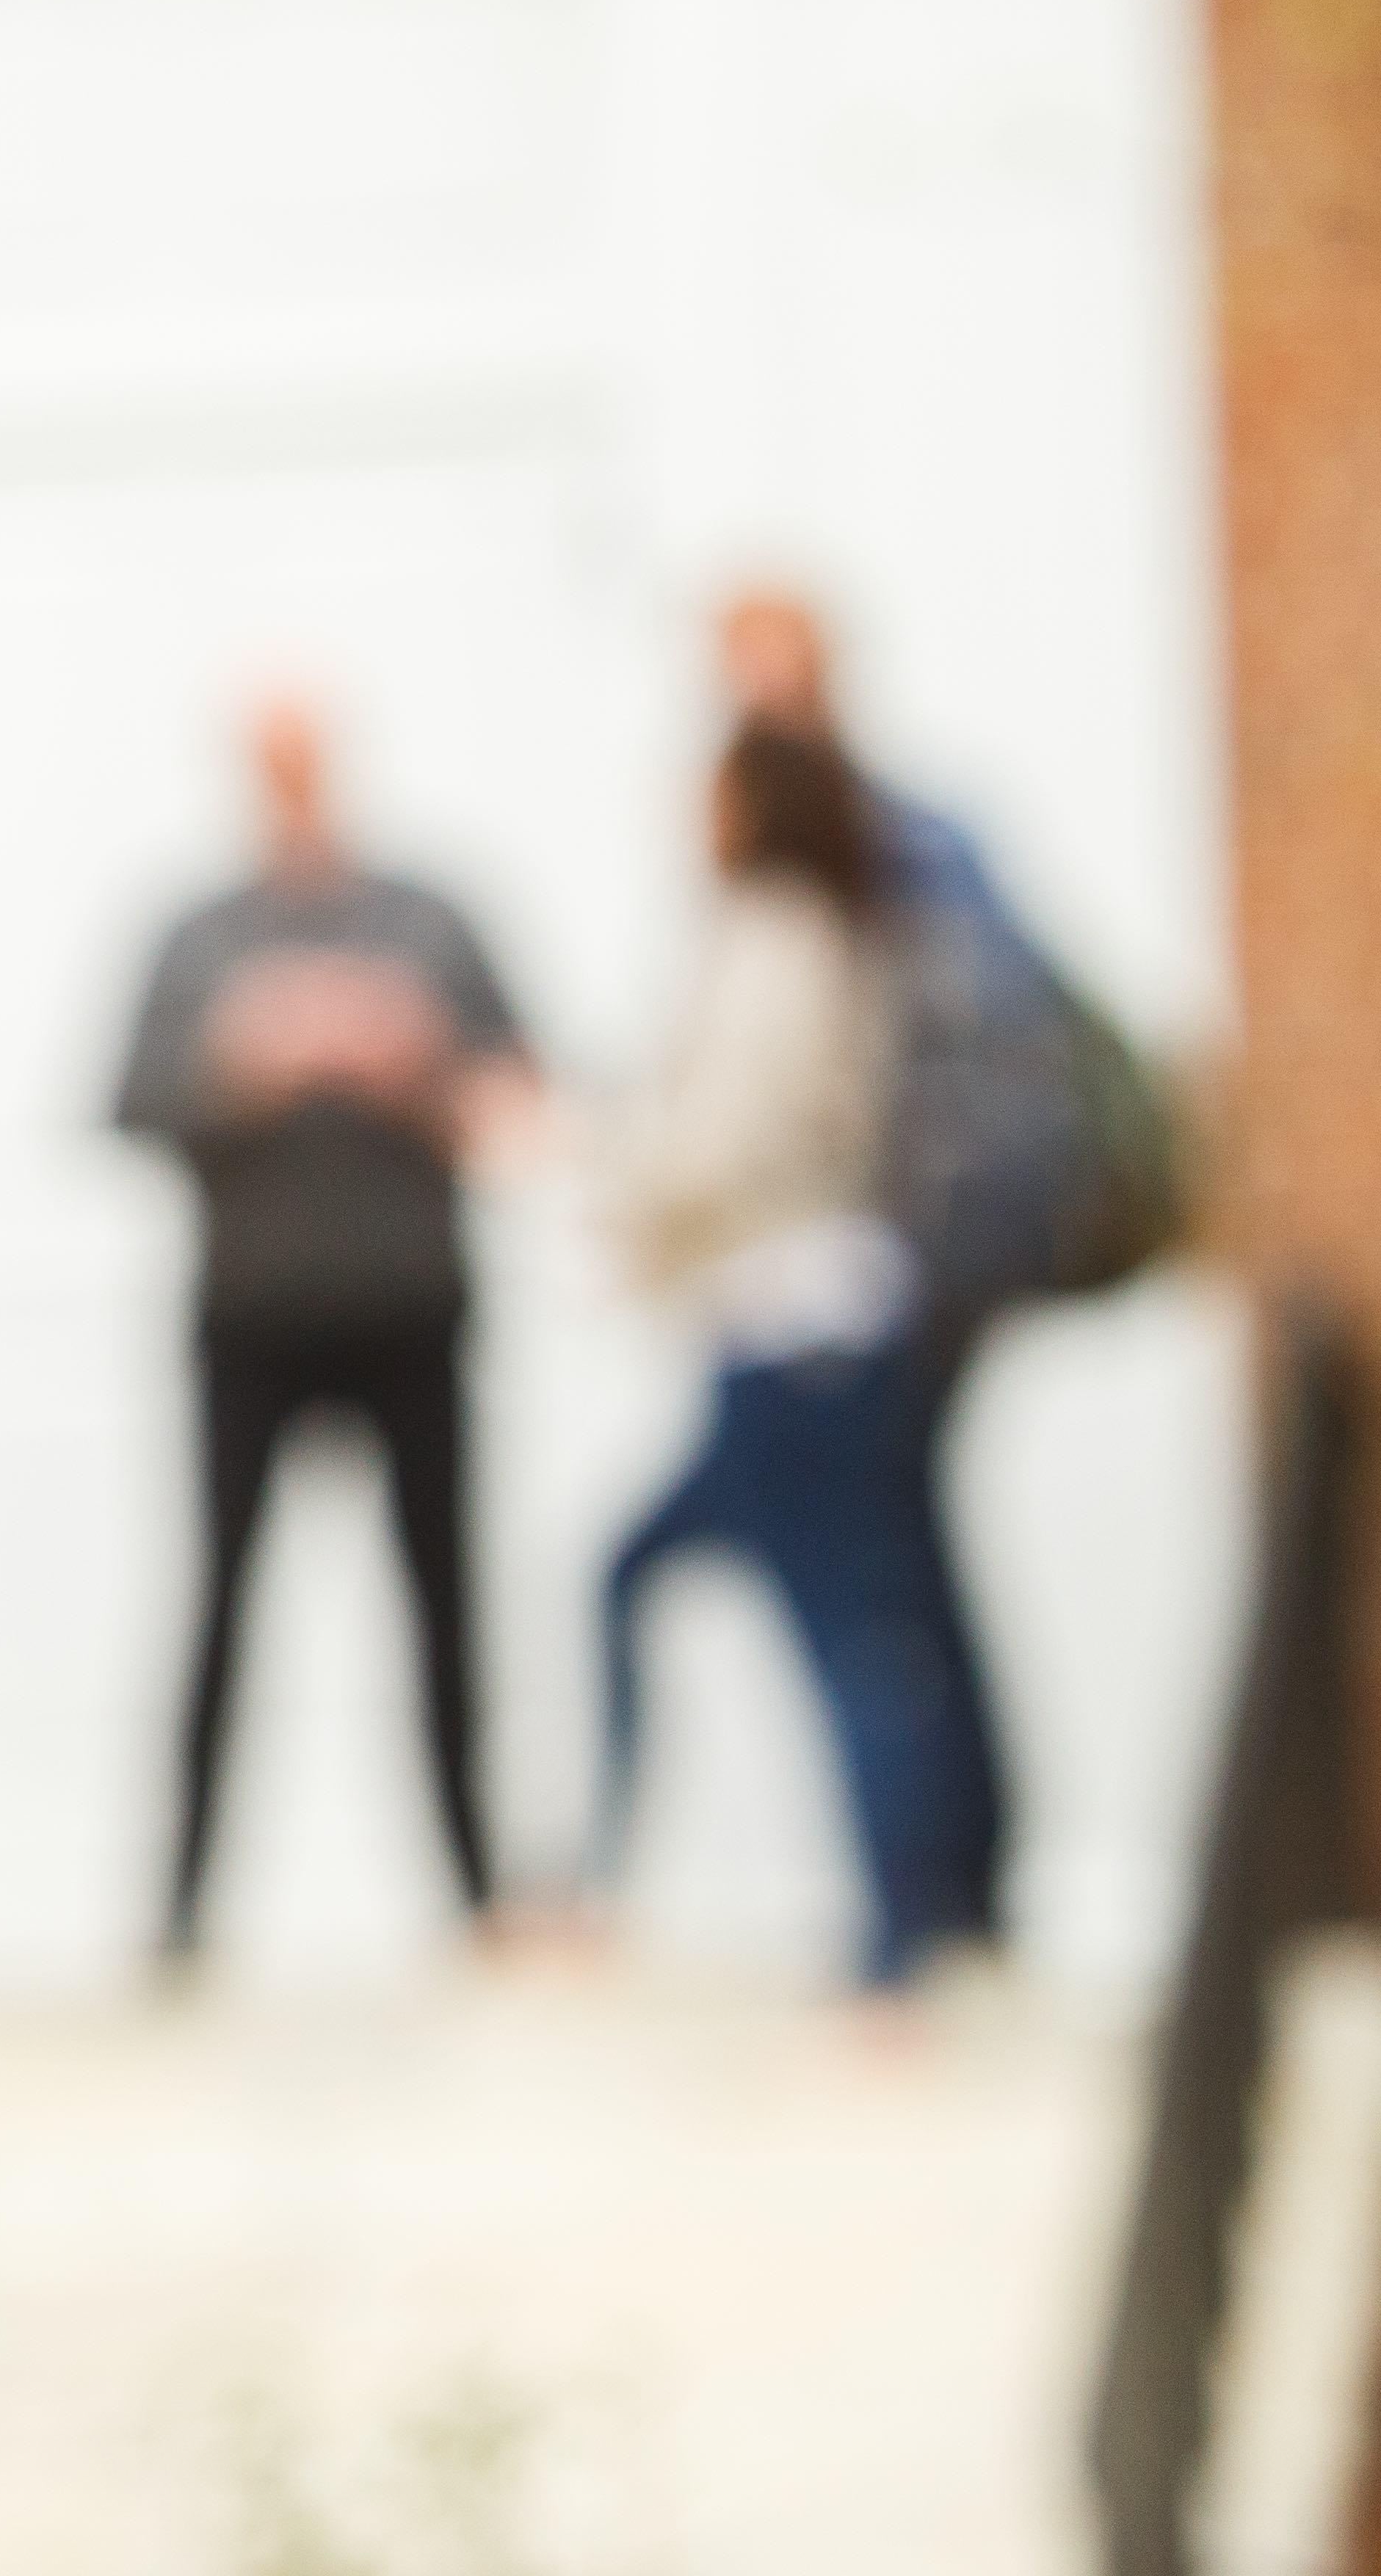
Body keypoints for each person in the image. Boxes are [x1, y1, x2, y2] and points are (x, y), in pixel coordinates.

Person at [115, 690, 534, 1970]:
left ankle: (478, 1898)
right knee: (223, 1612)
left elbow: (522, 1100)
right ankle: (181, 1915)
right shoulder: (198, 937)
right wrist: (248, 1062)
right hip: (254, 1320)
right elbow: (126, 1103)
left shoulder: (430, 920)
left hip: (412, 1309)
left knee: (446, 1612)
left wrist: (416, 1062)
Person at [593, 719, 986, 1991]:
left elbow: (724, 1145)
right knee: (636, 1575)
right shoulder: (841, 930)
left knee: (853, 1639)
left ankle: (901, 1939)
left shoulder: (773, 940)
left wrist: (598, 1173)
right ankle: (613, 1872)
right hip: (813, 1327)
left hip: (795, 1336)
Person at [714, 588, 1020, 1947]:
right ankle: (953, 1892)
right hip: (848, 1279)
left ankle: (935, 1905)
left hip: (878, 1278)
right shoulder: (811, 874)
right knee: (903, 1590)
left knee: (879, 1611)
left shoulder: (895, 851)